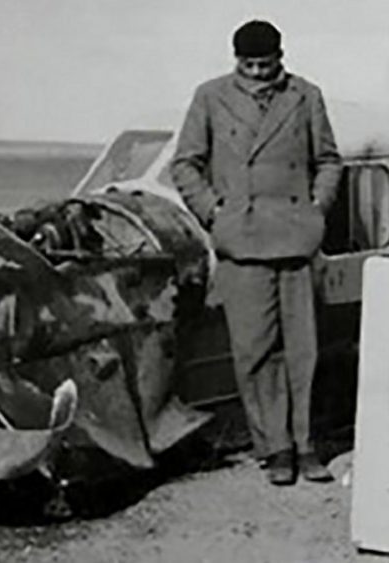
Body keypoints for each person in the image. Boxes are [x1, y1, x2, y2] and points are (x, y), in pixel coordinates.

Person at [170, 20, 342, 485]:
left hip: (295, 237)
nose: (259, 72)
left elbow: (328, 160)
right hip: (242, 240)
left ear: (280, 57)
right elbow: (184, 163)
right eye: (250, 64)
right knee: (254, 349)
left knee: (302, 348)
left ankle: (306, 445)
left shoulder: (306, 95)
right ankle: (275, 448)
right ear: (236, 61)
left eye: (266, 64)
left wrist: (315, 208)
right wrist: (214, 211)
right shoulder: (210, 96)